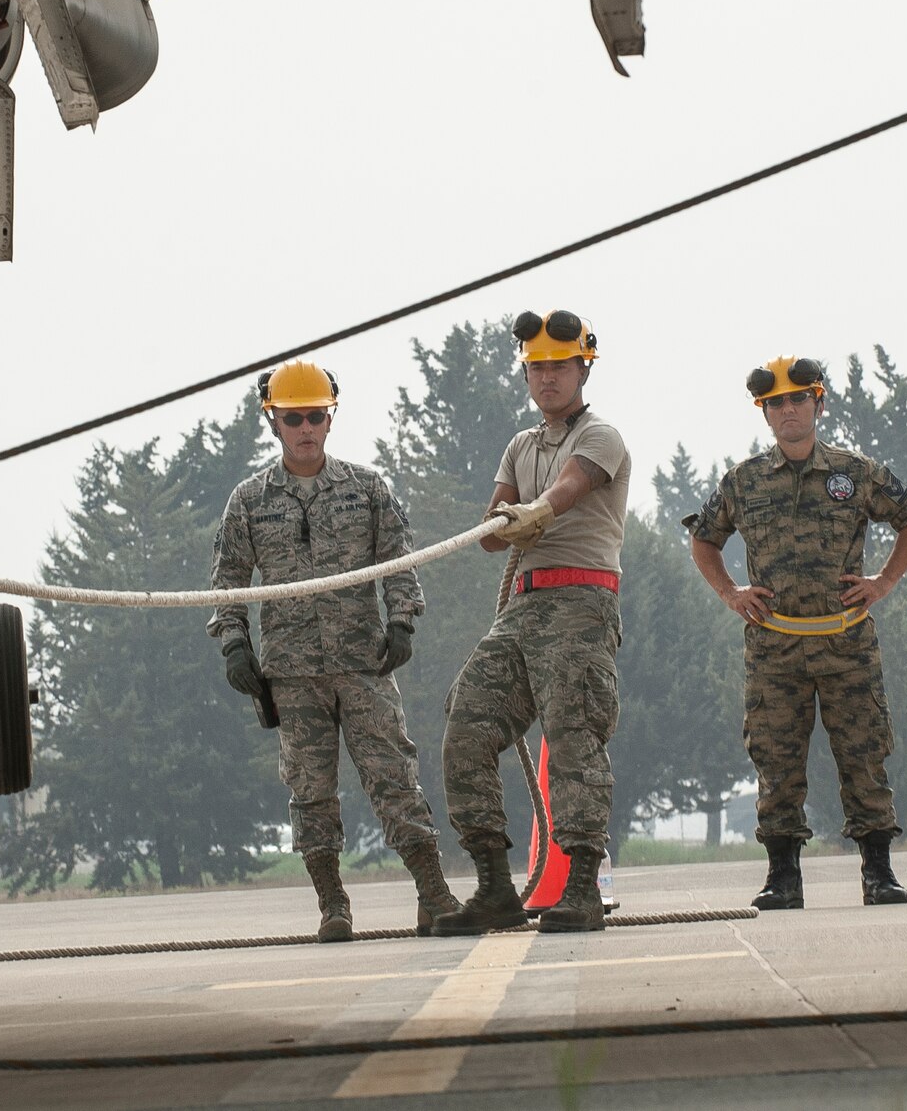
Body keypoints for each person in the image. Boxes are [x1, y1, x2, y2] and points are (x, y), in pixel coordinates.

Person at [209, 361, 459, 941]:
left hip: (363, 663)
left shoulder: (367, 489)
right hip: (292, 674)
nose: (306, 429)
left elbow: (400, 561)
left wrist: (401, 623)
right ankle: (332, 906)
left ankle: (434, 893)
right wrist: (234, 644)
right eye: (293, 418)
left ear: (330, 419)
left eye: (316, 417)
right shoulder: (248, 500)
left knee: (394, 778)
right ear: (272, 421)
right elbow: (227, 581)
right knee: (310, 791)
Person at [686, 357, 907, 910]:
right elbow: (704, 540)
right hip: (775, 646)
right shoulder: (743, 481)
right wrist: (731, 594)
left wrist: (884, 581)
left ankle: (877, 871)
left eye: (799, 399)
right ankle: (782, 877)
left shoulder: (856, 472)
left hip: (846, 640)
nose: (788, 410)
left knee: (864, 754)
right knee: (776, 763)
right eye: (776, 403)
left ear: (819, 404)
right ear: (765, 413)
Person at [435, 310, 631, 936]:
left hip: (581, 602)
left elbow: (568, 490)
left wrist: (535, 512)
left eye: (559, 366)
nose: (547, 378)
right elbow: (493, 533)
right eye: (537, 367)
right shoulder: (520, 446)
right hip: (524, 606)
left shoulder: (602, 436)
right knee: (466, 723)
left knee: (574, 736)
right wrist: (504, 519)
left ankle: (581, 886)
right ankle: (494, 886)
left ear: (583, 368)